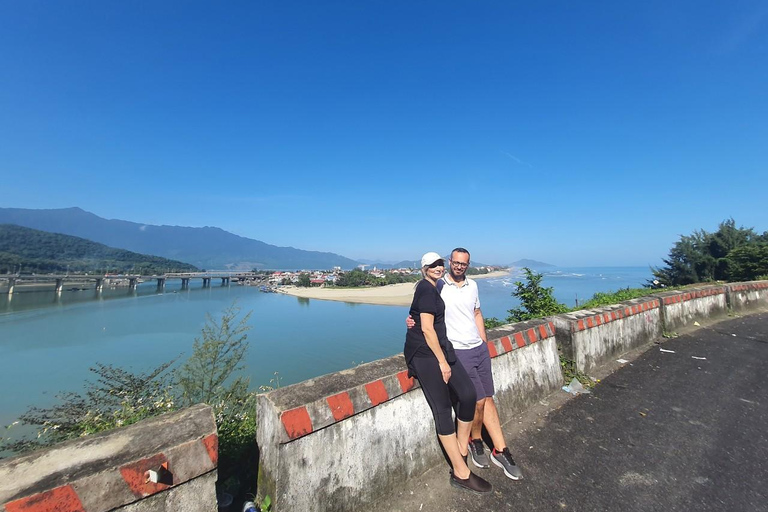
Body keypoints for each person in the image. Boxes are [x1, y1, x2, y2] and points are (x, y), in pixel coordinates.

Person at [408, 248, 523, 480]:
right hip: (457, 351)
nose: (459, 266)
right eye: (456, 262)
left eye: (464, 263)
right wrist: (412, 320)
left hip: (478, 348)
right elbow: (422, 311)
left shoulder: (473, 285)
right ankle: (476, 441)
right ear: (451, 262)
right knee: (476, 399)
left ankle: (500, 449)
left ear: (468, 265)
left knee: (487, 398)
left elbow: (477, 312)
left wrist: (484, 342)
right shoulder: (439, 285)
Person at [404, 251, 492, 494]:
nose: (437, 267)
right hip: (425, 353)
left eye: (439, 263)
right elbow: (427, 329)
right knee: (443, 408)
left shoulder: (438, 286)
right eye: (432, 265)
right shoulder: (425, 287)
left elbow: (421, 315)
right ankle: (460, 472)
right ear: (424, 268)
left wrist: (411, 317)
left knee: (468, 394)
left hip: (443, 347)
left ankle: (461, 449)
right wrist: (443, 363)